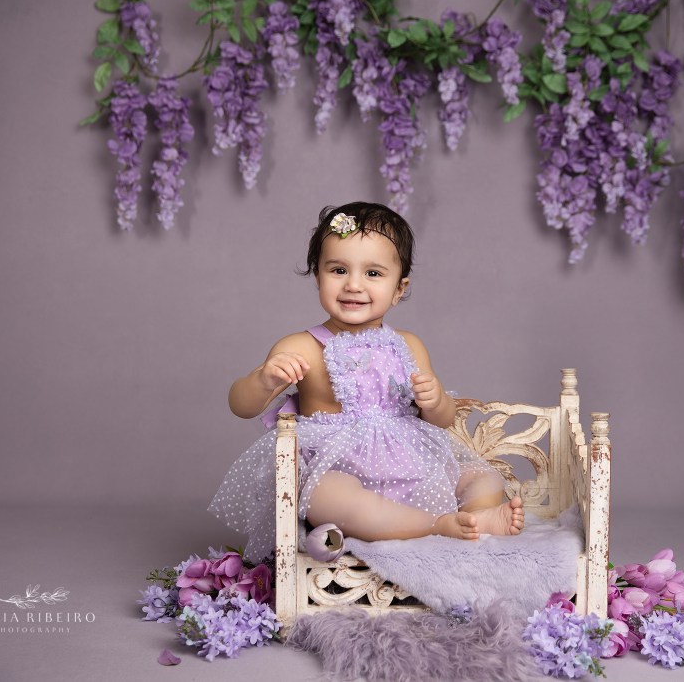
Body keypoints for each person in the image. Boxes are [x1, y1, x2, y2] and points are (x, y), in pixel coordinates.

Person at [209, 202, 524, 563]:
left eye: (373, 273)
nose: (353, 285)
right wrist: (264, 380)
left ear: (399, 288)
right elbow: (241, 405)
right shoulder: (302, 347)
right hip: (344, 474)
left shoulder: (408, 345)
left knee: (482, 477)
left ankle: (476, 517)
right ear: (318, 277)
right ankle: (437, 524)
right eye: (338, 270)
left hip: (410, 470)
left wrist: (435, 401)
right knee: (325, 496)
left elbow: (442, 420)